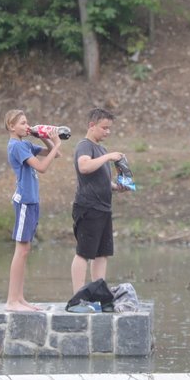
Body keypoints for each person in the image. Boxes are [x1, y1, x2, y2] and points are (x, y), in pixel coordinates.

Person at [5, 109, 61, 311]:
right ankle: (12, 301)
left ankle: (19, 298)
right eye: (22, 123)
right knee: (20, 251)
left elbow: (54, 154)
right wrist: (57, 144)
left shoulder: (26, 144)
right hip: (24, 202)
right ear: (11, 127)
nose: (26, 126)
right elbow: (42, 167)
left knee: (25, 250)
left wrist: (46, 138)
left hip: (32, 201)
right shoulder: (17, 146)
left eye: (27, 122)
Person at [71, 108, 128, 294]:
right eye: (104, 128)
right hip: (88, 207)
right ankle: (78, 295)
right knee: (84, 253)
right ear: (92, 126)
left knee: (102, 253)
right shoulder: (85, 145)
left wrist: (116, 186)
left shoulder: (101, 149)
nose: (108, 132)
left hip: (104, 208)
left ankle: (99, 293)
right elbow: (84, 166)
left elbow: (100, 178)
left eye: (109, 128)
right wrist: (109, 157)